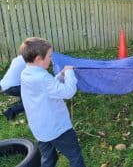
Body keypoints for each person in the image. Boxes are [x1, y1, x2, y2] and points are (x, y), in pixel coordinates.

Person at [19, 37, 85, 167]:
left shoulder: (26, 73)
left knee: (49, 158)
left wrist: (60, 76)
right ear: (38, 58)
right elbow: (68, 92)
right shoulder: (42, 77)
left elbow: (48, 89)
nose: (51, 58)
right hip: (57, 129)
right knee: (75, 155)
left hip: (40, 129)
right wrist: (70, 73)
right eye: (49, 56)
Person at [0, 55, 26, 120]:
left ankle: (22, 102)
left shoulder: (18, 58)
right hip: (13, 88)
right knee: (32, 100)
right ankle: (11, 111)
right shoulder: (30, 61)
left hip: (4, 85)